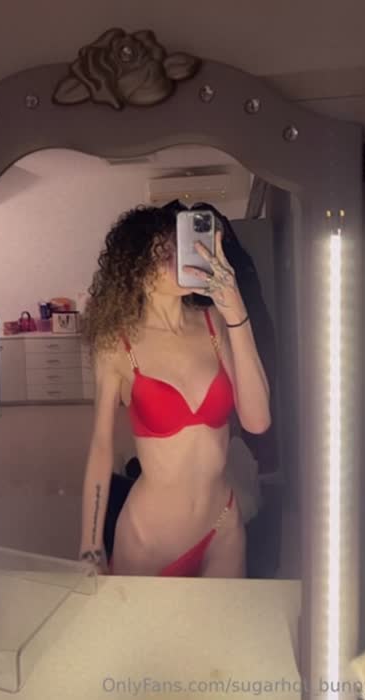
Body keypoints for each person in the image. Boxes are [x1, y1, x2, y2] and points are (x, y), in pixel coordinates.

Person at [79, 202, 271, 577]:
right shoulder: (117, 344)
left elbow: (258, 421)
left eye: (179, 247)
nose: (178, 260)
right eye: (162, 253)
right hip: (149, 539)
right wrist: (89, 545)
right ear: (133, 268)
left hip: (222, 526)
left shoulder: (215, 322)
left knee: (226, 619)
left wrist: (236, 313)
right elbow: (101, 447)